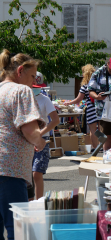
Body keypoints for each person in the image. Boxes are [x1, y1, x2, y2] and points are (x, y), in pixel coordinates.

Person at [0, 49, 46, 239]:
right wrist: (40, 142)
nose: (34, 81)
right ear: (20, 71)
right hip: (11, 167)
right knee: (17, 228)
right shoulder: (21, 90)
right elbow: (30, 131)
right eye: (32, 75)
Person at [28, 72, 60, 200]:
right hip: (27, 140)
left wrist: (40, 133)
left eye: (38, 87)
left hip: (43, 139)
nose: (36, 89)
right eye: (34, 87)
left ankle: (38, 201)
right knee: (27, 175)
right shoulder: (24, 98)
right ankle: (30, 201)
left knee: (37, 173)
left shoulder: (45, 99)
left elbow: (55, 120)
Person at [64, 64, 99, 150]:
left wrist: (68, 103)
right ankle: (102, 146)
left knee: (92, 130)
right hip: (100, 108)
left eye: (83, 73)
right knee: (100, 130)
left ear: (86, 74)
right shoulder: (98, 84)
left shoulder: (85, 86)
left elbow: (78, 99)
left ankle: (96, 147)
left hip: (91, 109)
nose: (82, 75)